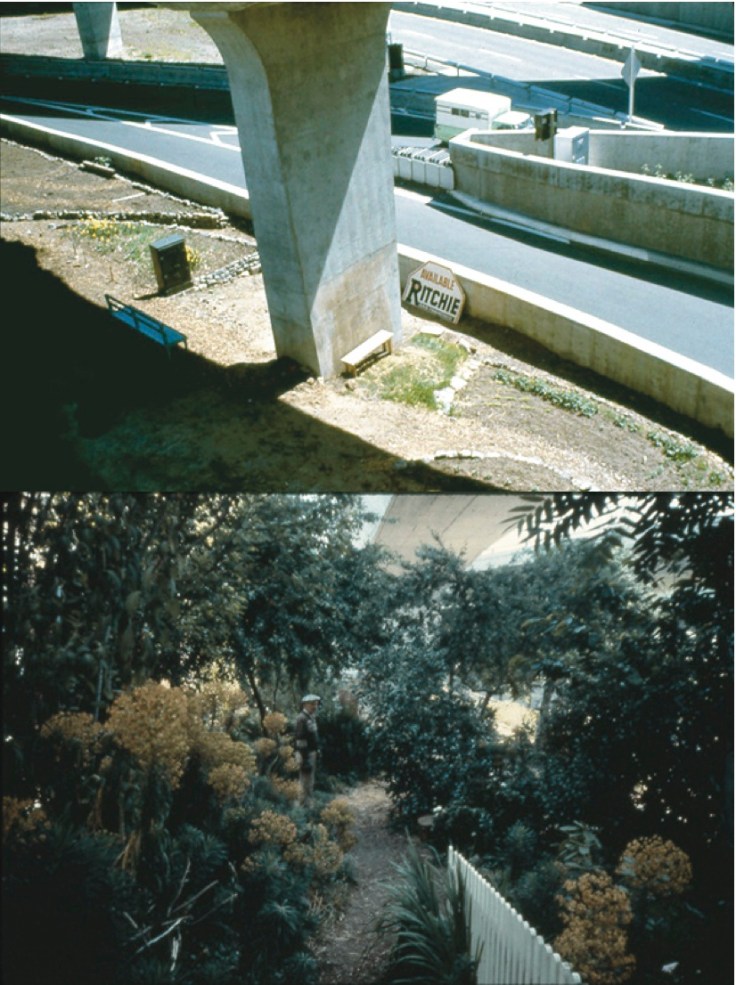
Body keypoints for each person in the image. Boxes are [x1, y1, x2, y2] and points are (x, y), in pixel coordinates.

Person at [294, 694, 320, 805]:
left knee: (310, 781)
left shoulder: (311, 717)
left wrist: (317, 749)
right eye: (312, 704)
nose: (314, 706)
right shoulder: (302, 719)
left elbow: (313, 736)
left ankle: (308, 803)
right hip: (305, 754)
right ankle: (301, 805)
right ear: (305, 705)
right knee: (304, 781)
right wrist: (305, 759)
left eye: (316, 704)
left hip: (311, 753)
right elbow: (300, 740)